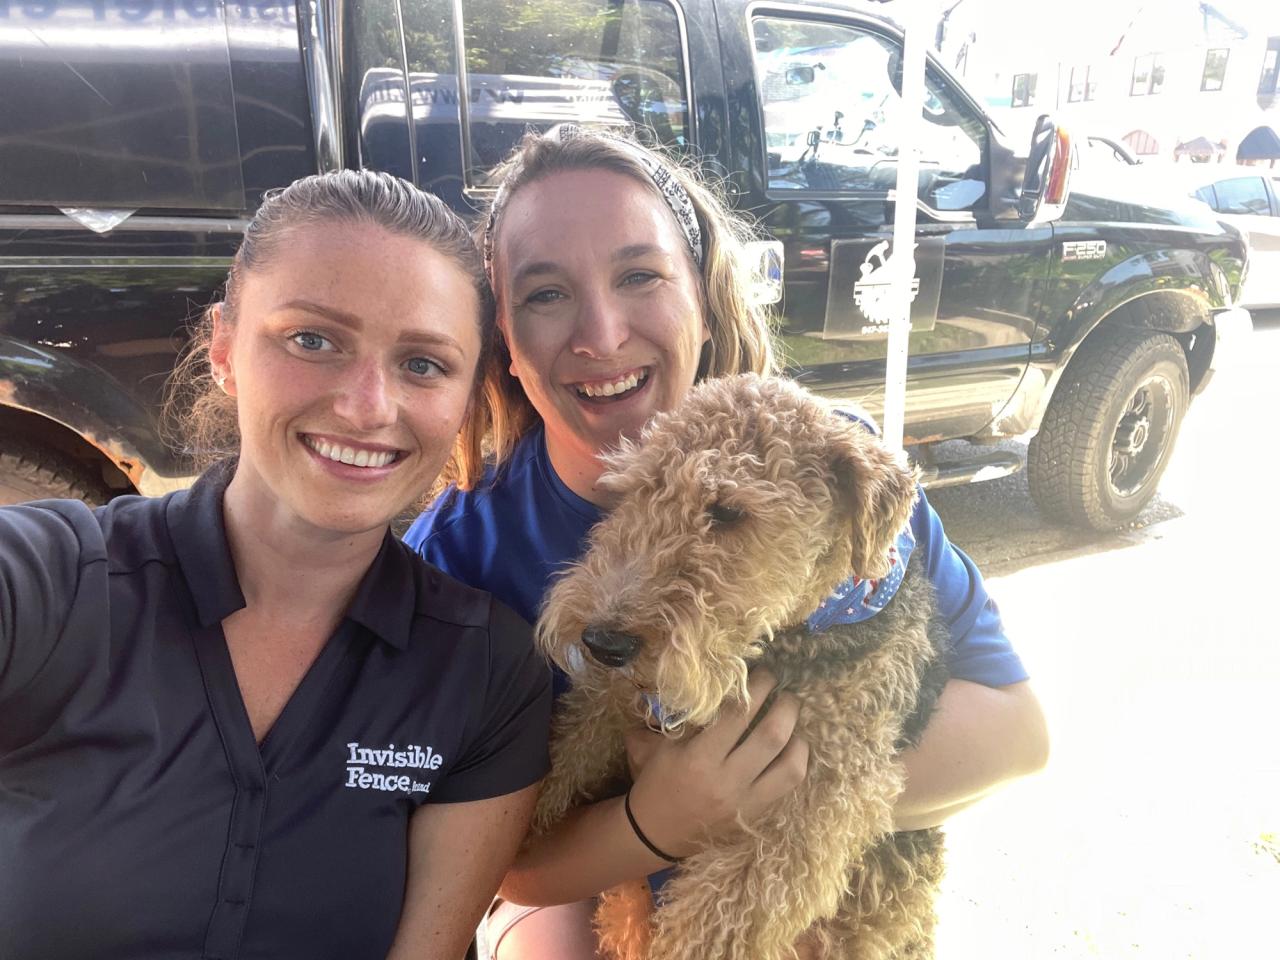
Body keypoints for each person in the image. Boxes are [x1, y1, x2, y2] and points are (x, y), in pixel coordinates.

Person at [403, 126, 1049, 959]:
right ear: (506, 345)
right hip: (590, 894)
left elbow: (1018, 734)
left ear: (705, 301)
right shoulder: (458, 552)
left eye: (639, 275)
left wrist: (781, 793)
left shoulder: (826, 470)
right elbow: (496, 864)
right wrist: (656, 821)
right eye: (544, 294)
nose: (600, 333)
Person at [0, 171, 552, 960]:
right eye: (313, 340)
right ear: (224, 347)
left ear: (467, 396)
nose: (367, 406)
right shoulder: (52, 586)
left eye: (424, 364)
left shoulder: (482, 671)